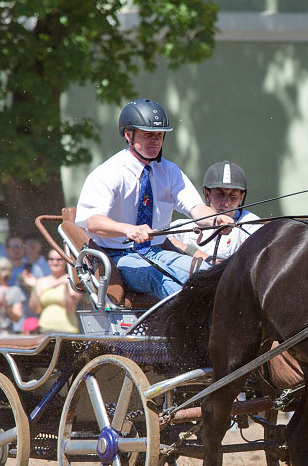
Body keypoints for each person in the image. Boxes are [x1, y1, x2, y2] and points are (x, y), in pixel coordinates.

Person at [75, 99, 233, 299]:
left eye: (159, 135)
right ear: (128, 135)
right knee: (162, 276)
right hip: (118, 257)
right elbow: (93, 222)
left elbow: (196, 208)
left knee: (209, 272)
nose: (156, 141)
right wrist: (129, 229)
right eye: (148, 135)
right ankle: (189, 328)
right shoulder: (109, 172)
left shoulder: (170, 171)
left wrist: (215, 220)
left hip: (157, 251)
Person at [169, 161, 262, 265]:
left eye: (233, 195)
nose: (226, 202)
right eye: (220, 194)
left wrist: (187, 249)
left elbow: (224, 268)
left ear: (241, 197)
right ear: (208, 195)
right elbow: (159, 240)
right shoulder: (187, 225)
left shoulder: (251, 225)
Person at [23, 250, 82, 333]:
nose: (55, 262)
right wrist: (33, 287)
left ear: (65, 261)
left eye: (59, 259)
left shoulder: (73, 281)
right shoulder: (41, 281)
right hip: (44, 330)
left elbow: (69, 307)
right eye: (51, 259)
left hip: (68, 330)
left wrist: (65, 287)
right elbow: (36, 309)